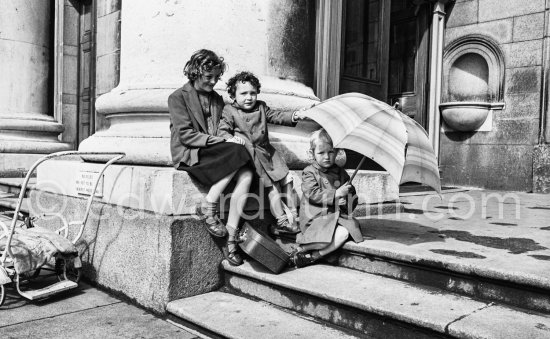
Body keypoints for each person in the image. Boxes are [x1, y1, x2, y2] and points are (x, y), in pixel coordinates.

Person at [169, 49, 253, 266]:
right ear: (195, 73)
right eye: (209, 77)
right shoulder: (177, 97)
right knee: (240, 153)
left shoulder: (217, 99)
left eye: (217, 77)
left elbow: (223, 128)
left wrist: (231, 138)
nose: (214, 82)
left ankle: (231, 239)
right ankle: (210, 207)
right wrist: (224, 142)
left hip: (214, 152)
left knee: (246, 172)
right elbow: (186, 136)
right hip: (190, 153)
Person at [217, 71, 304, 234]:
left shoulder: (262, 107)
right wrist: (229, 139)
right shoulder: (229, 110)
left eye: (253, 93)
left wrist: (295, 115)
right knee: (272, 188)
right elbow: (222, 129)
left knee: (287, 179)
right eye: (243, 93)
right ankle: (282, 221)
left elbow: (276, 116)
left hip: (269, 154)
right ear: (233, 95)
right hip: (252, 157)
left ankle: (295, 217)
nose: (249, 97)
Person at [292, 129, 363, 268]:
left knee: (344, 233)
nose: (327, 157)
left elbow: (351, 203)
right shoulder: (309, 172)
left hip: (335, 216)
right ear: (311, 154)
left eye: (331, 152)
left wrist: (347, 198)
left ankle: (314, 256)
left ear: (337, 152)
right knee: (326, 237)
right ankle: (302, 247)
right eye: (321, 153)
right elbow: (312, 193)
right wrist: (336, 194)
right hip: (315, 217)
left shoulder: (341, 173)